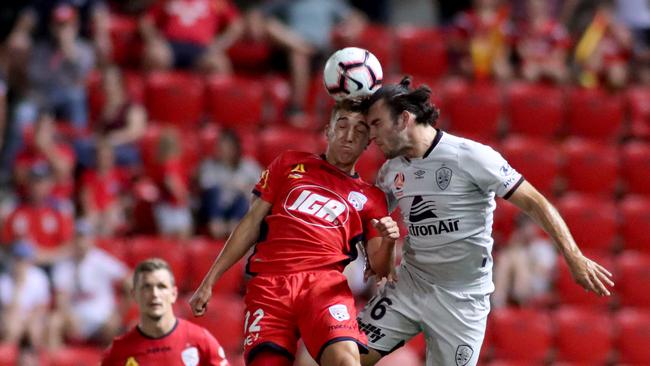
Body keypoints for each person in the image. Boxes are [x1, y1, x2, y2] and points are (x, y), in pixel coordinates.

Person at [356, 77, 615, 366]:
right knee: (344, 359)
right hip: (410, 287)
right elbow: (371, 219)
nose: (371, 136)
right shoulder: (390, 172)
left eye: (376, 124)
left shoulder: (470, 156)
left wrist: (574, 256)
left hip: (461, 301)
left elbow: (535, 201)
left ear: (404, 119)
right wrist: (372, 253)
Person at [189, 99, 400, 366]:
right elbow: (251, 222)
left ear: (368, 142)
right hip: (271, 284)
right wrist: (209, 280)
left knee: (346, 362)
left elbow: (381, 269)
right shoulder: (289, 163)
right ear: (328, 130)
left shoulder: (371, 198)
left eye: (359, 131)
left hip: (324, 287)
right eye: (342, 125)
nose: (349, 136)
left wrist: (390, 241)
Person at [101, 258, 229, 365]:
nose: (154, 294)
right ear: (134, 295)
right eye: (147, 287)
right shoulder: (117, 353)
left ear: (174, 294)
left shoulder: (201, 341)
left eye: (161, 286)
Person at [48, 220, 130, 349]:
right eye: (78, 238)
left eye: (85, 238)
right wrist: (67, 315)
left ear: (91, 240)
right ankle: (55, 361)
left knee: (114, 325)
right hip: (75, 317)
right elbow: (60, 296)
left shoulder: (101, 260)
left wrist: (118, 312)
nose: (81, 243)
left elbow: (128, 280)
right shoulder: (63, 265)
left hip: (101, 318)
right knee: (54, 322)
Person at [198, 129, 262, 239]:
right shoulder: (209, 165)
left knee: (247, 196)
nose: (222, 151)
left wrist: (244, 188)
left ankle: (233, 226)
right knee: (214, 192)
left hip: (237, 208)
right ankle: (216, 225)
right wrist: (233, 186)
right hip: (215, 209)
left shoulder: (248, 166)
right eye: (220, 147)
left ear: (235, 149)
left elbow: (262, 185)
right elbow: (206, 186)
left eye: (226, 147)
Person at [0, 240, 50, 348]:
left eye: (23, 259)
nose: (20, 263)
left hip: (33, 316)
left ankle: (35, 359)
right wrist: (18, 286)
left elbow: (41, 307)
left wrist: (29, 319)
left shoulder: (39, 277)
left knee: (35, 328)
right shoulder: (4, 280)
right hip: (14, 316)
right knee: (11, 326)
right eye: (17, 259)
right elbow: (9, 310)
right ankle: (9, 360)